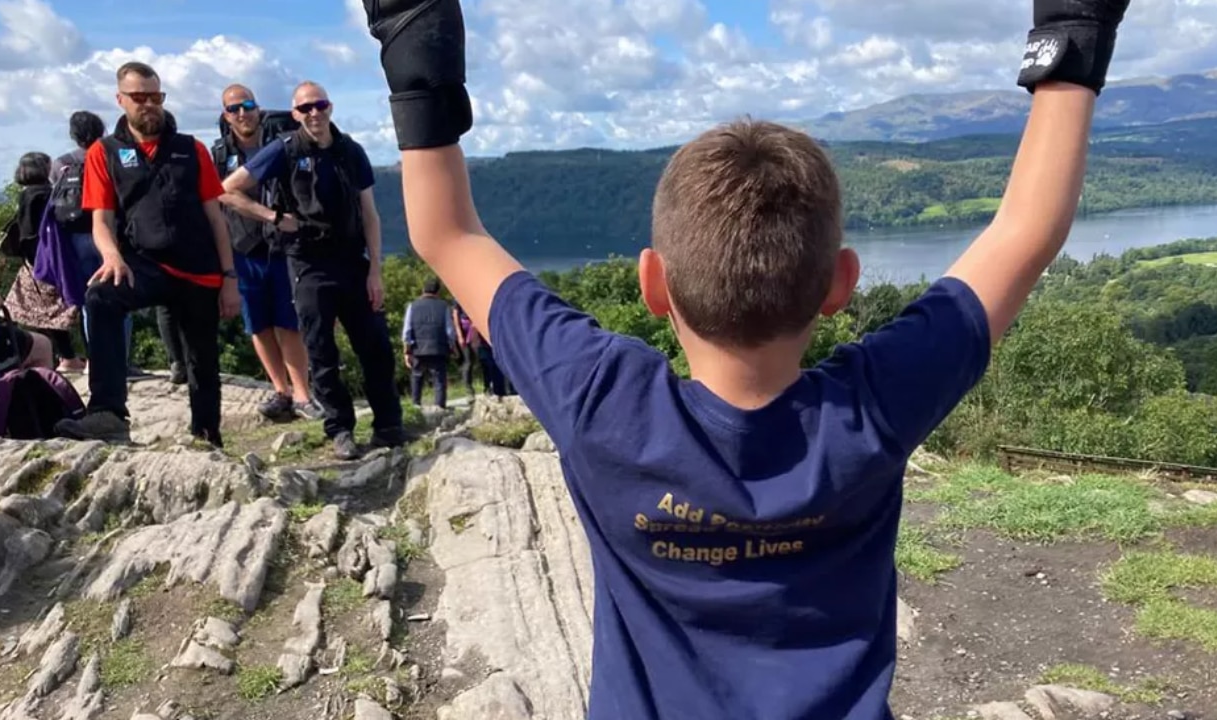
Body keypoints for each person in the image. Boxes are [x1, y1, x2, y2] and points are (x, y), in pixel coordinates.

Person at [362, 0, 1130, 717]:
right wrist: (1072, 25)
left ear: (653, 284)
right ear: (840, 285)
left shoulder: (603, 404)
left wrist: (414, 35)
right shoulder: (873, 410)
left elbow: (448, 236)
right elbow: (1026, 230)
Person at [53, 61, 240, 447]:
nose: (149, 104)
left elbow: (215, 217)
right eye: (140, 97)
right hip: (146, 264)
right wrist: (111, 256)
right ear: (120, 100)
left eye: (156, 96)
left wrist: (230, 278)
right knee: (101, 297)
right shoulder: (104, 153)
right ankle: (108, 414)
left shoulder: (192, 149)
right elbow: (100, 221)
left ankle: (207, 438)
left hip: (200, 270)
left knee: (201, 363)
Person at [220, 80, 405, 460]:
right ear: (295, 115)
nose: (314, 113)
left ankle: (389, 425)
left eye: (319, 105)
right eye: (305, 108)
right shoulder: (285, 151)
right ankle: (340, 430)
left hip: (353, 262)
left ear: (330, 107)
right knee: (321, 351)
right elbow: (227, 189)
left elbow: (369, 213)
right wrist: (272, 216)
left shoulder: (350, 151)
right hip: (307, 263)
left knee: (375, 347)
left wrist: (376, 272)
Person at [212, 83, 321, 422]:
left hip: (283, 246)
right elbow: (216, 199)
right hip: (243, 248)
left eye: (247, 105)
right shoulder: (219, 155)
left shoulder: (280, 145)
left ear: (258, 108)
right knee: (257, 324)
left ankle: (302, 394)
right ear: (225, 116)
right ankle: (281, 392)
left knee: (288, 322)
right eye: (234, 108)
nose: (242, 112)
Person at [50, 110, 147, 379]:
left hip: (75, 238)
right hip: (110, 233)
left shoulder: (61, 163)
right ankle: (120, 362)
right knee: (120, 299)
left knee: (87, 301)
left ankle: (95, 360)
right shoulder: (111, 153)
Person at [3, 151, 81, 371]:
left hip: (35, 262)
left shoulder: (27, 194)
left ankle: (55, 356)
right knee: (55, 312)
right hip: (51, 260)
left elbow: (26, 234)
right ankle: (67, 357)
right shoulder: (47, 193)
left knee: (32, 312)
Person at [402, 276, 454, 408]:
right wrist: (452, 347)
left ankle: (416, 405)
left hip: (418, 348)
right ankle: (440, 407)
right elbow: (449, 331)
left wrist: (407, 351)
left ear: (423, 290)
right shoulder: (444, 307)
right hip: (438, 348)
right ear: (438, 292)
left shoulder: (412, 306)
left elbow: (407, 330)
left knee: (417, 376)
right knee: (439, 380)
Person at [452, 302, 476, 397]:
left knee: (474, 360)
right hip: (465, 331)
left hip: (473, 329)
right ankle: (468, 387)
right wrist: (460, 335)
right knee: (468, 361)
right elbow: (455, 315)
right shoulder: (457, 300)